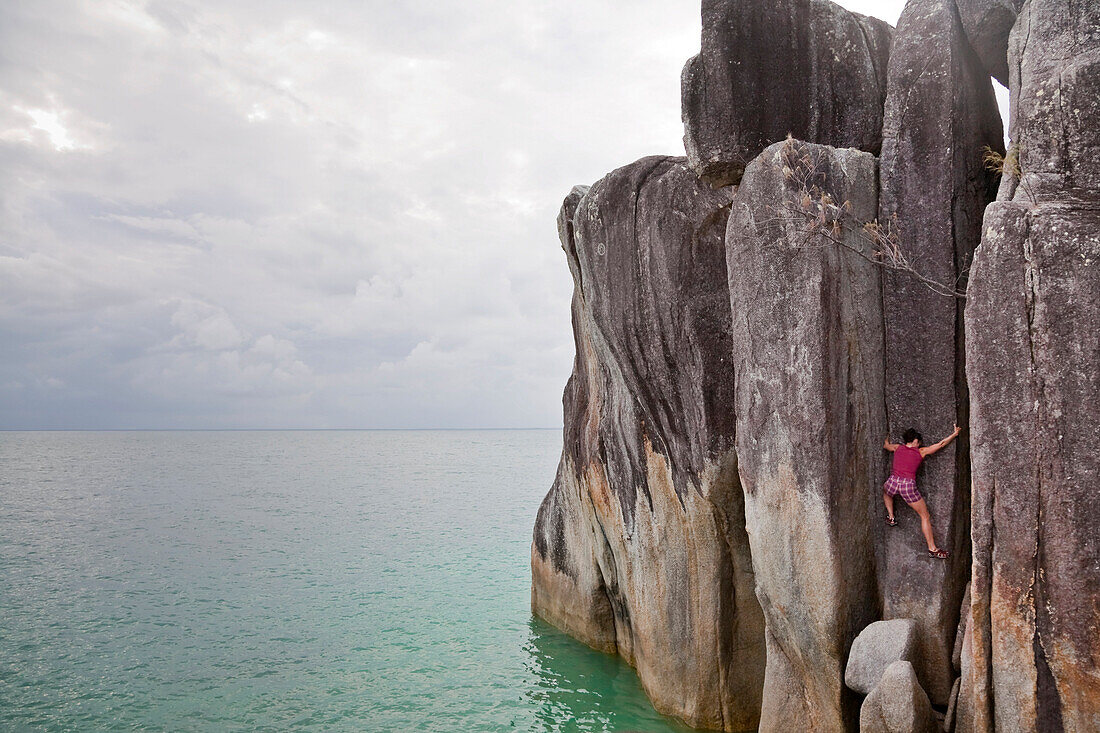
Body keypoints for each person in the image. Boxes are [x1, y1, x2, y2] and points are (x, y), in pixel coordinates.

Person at [883, 424, 961, 559]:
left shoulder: (897, 448)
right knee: (925, 516)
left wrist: (886, 436)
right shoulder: (921, 451)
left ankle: (891, 517)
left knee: (886, 491)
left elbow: (886, 445)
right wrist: (954, 434)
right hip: (907, 486)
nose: (919, 444)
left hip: (893, 482)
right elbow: (941, 444)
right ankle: (933, 549)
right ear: (914, 441)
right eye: (918, 442)